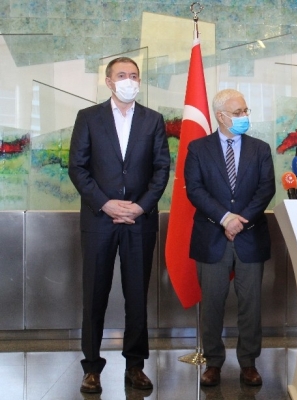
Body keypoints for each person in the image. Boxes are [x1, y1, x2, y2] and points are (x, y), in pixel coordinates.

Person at [68, 57, 171, 394]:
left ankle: (135, 365)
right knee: (94, 294)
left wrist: (140, 207)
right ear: (109, 82)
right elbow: (78, 167)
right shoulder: (88, 117)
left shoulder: (153, 120)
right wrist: (105, 203)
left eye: (135, 75)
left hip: (139, 221)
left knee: (137, 295)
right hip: (100, 219)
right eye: (122, 75)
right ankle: (91, 367)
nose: (130, 80)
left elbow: (161, 169)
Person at [185, 89, 275, 387]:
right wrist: (225, 218)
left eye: (246, 111)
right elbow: (195, 189)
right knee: (212, 304)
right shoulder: (198, 149)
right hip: (212, 237)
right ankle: (213, 363)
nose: (244, 116)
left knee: (251, 304)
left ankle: (248, 363)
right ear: (220, 116)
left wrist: (239, 221)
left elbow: (266, 189)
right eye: (238, 113)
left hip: (250, 236)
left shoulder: (260, 149)